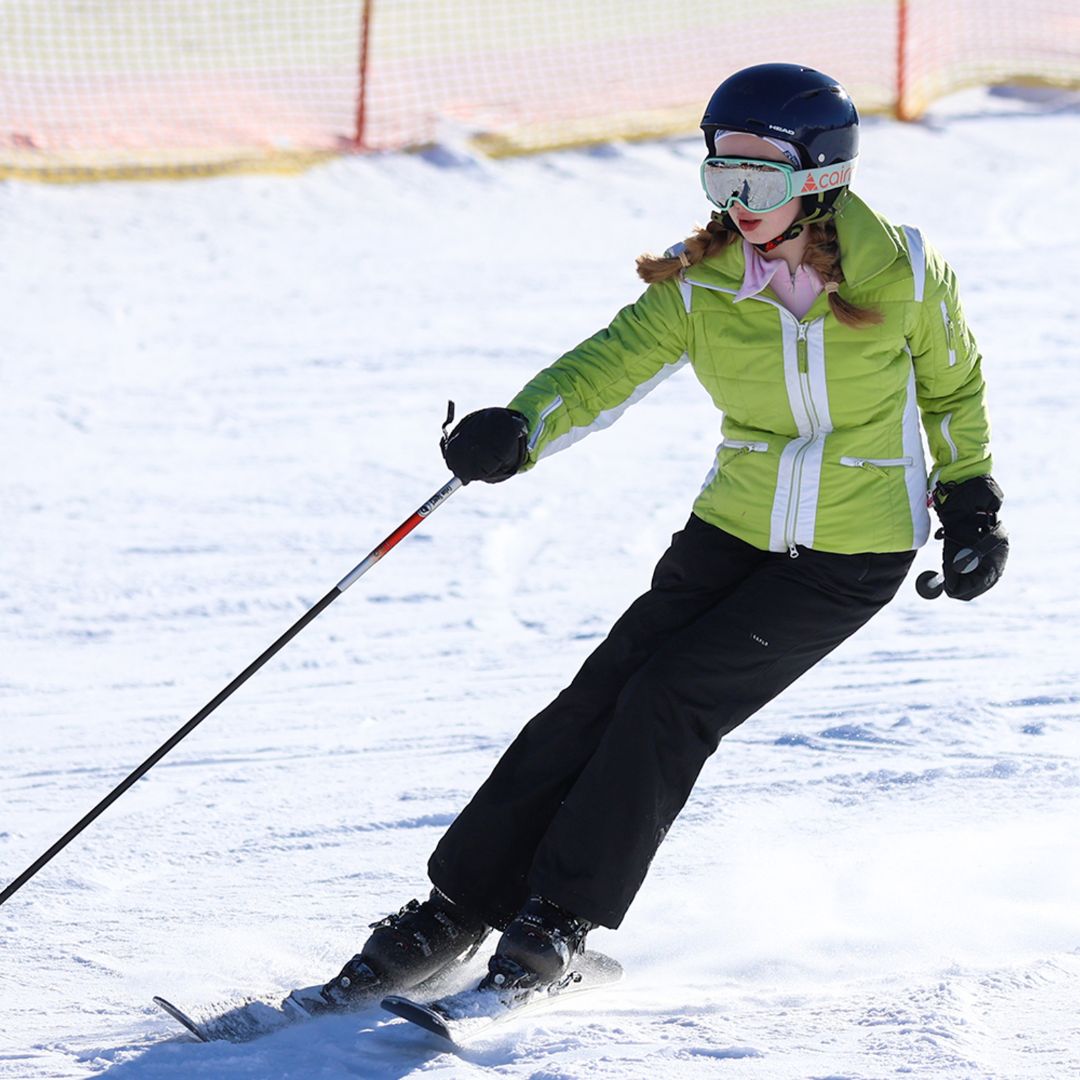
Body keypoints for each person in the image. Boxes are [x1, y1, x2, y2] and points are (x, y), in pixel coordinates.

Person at [314, 62, 1009, 1007]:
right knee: (595, 699)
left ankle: (558, 921)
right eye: (721, 173)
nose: (737, 197)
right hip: (729, 529)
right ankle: (454, 910)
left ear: (821, 177)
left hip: (850, 554)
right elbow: (603, 369)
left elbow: (954, 389)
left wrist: (971, 503)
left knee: (670, 699)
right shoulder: (703, 284)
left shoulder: (907, 274)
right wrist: (520, 426)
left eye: (758, 176)